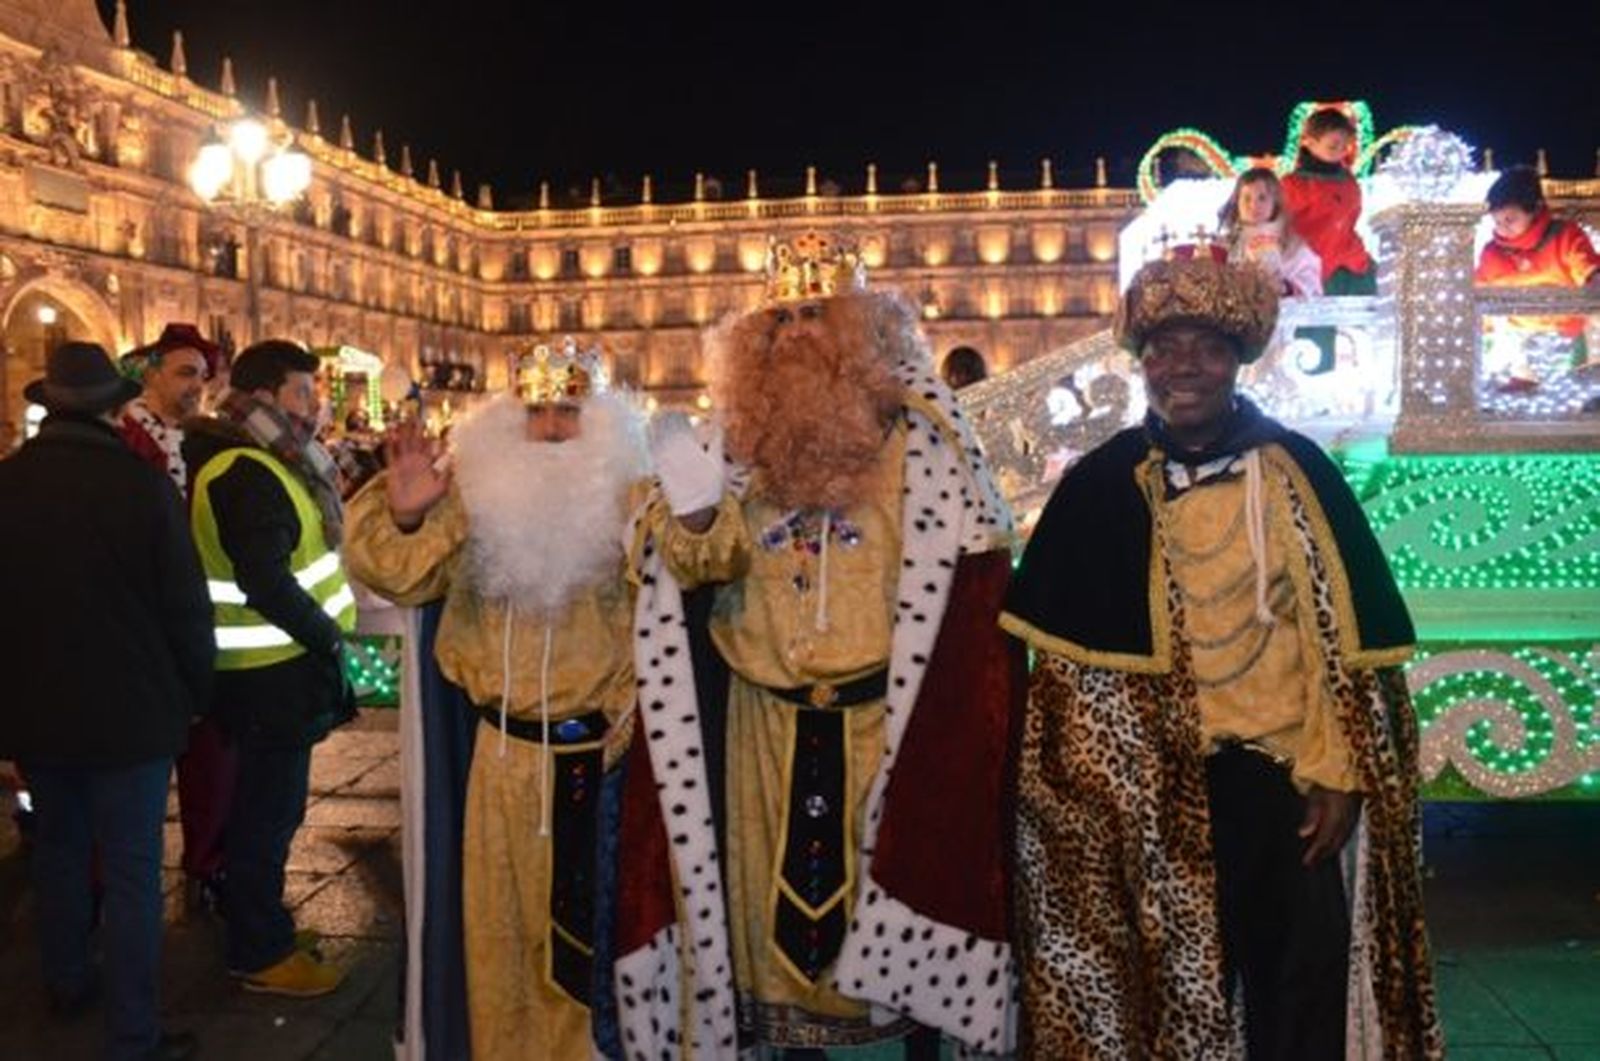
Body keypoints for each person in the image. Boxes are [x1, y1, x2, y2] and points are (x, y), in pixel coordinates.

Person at [1001, 256, 1443, 1059]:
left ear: (1238, 357)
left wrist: (1336, 769)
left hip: (1281, 784)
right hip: (1151, 796)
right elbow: (1066, 697)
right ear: (1141, 361)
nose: (1183, 368)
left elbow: (1338, 652)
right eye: (1164, 348)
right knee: (1170, 999)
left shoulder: (1294, 471)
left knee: (1299, 993)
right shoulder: (1102, 486)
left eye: (1205, 346)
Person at [618, 232, 1021, 1058]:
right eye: (782, 318)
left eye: (819, 314)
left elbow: (975, 588)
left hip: (885, 732)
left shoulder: (926, 444)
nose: (798, 332)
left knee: (883, 940)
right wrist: (692, 515)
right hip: (759, 734)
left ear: (865, 331)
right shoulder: (731, 450)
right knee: (763, 950)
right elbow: (691, 567)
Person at [344, 341, 648, 1060]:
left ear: (598, 420)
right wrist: (407, 515)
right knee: (494, 940)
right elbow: (398, 574)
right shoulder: (471, 499)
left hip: (595, 765)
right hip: (495, 761)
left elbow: (686, 588)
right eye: (535, 410)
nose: (547, 429)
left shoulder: (633, 500)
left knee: (585, 955)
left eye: (567, 411)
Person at [0, 342, 213, 1060]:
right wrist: (192, 691)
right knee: (129, 871)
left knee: (57, 852)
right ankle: (132, 1032)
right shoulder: (141, 486)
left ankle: (65, 981)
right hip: (133, 712)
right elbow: (186, 608)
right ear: (113, 406)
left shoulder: (7, 484)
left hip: (37, 712)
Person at [182, 339, 356, 997]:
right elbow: (265, 579)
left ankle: (265, 926)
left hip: (275, 672)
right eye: (302, 392)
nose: (315, 406)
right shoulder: (244, 470)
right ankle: (258, 950)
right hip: (269, 674)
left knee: (268, 811)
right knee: (265, 816)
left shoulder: (264, 460)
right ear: (261, 397)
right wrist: (328, 636)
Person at [118, 323, 238, 917]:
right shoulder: (126, 439)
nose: (197, 387)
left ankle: (206, 861)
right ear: (152, 374)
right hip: (142, 629)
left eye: (202, 376)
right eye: (185, 373)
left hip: (192, 620)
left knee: (208, 752)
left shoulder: (195, 441)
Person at [1474, 164, 1600, 391]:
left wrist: (1593, 280)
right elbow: (1478, 295)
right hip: (1517, 340)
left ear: (1535, 209)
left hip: (1567, 333)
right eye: (1497, 222)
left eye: (1510, 220)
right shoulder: (1492, 252)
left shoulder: (1565, 236)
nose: (1502, 229)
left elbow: (1588, 268)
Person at [1283, 106, 1372, 373]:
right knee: (1316, 331)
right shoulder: (1293, 185)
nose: (1341, 149)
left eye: (1345, 144)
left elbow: (1351, 218)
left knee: (1377, 316)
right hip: (1314, 268)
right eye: (1334, 144)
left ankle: (1368, 379)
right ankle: (1314, 386)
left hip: (1352, 263)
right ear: (1309, 142)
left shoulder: (1348, 180)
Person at [1219, 166, 1322, 296]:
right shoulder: (1225, 244)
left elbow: (1311, 282)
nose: (1254, 206)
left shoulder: (1292, 244)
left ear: (1275, 203)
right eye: (1246, 198)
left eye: (1262, 198)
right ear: (1236, 202)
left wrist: (1284, 287)